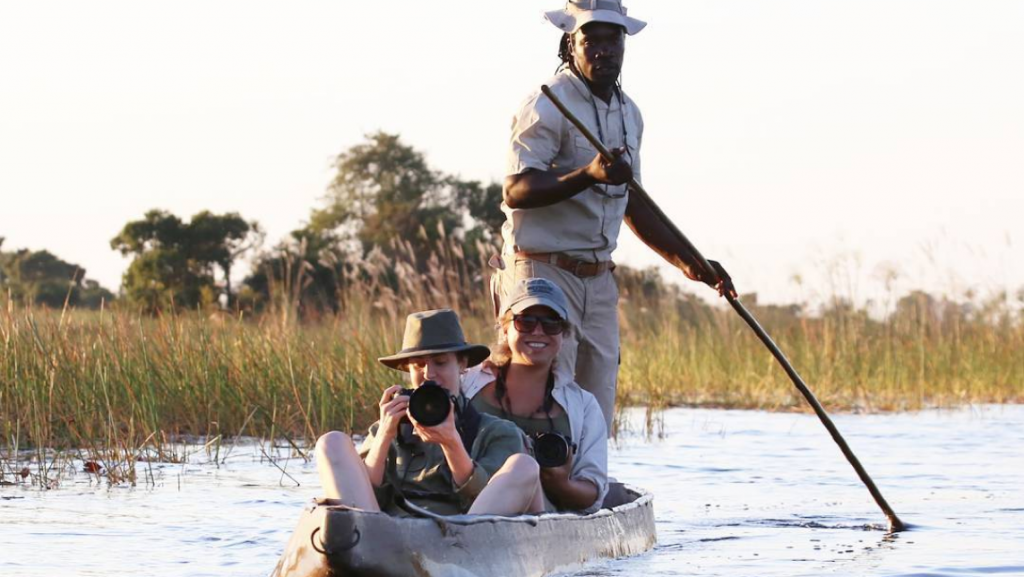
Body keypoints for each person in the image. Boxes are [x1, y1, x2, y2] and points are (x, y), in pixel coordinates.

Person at [494, 0, 738, 433]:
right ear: (571, 44)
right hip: (542, 273)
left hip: (599, 281)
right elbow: (516, 191)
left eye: (613, 40)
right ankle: (527, 489)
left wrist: (691, 263)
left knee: (594, 410)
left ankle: (587, 494)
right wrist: (588, 174)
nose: (604, 50)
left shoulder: (629, 113)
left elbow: (634, 201)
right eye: (592, 40)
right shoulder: (547, 103)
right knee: (542, 405)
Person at [315, 309, 545, 516]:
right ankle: (360, 546)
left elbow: (488, 499)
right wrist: (384, 436)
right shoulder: (389, 425)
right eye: (418, 365)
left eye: (440, 363)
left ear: (462, 364)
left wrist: (452, 443)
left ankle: (460, 546)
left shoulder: (495, 432)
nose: (429, 374)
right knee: (330, 442)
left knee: (525, 466)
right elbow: (365, 495)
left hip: (462, 537)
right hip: (384, 534)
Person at [464, 278, 608, 513]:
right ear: (505, 327)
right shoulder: (467, 383)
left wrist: (560, 484)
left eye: (551, 323)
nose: (538, 331)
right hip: (464, 500)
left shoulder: (583, 406)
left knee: (523, 467)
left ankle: (465, 535)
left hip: (538, 519)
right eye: (526, 321)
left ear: (563, 333)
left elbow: (593, 494)